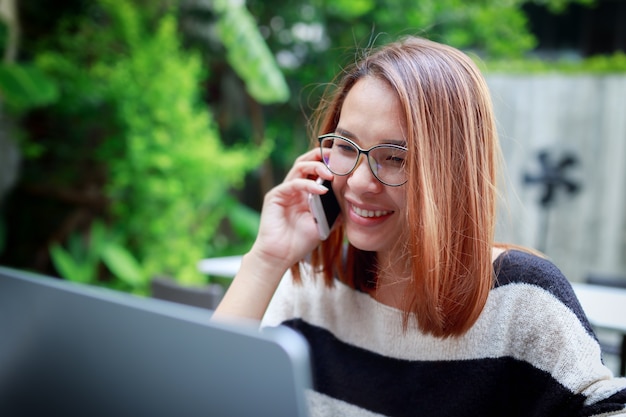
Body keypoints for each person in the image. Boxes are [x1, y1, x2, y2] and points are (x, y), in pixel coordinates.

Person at [213, 36, 626, 416]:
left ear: (453, 172)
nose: (358, 182)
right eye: (345, 146)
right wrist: (265, 259)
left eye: (394, 157)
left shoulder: (522, 301)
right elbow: (208, 397)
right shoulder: (314, 289)